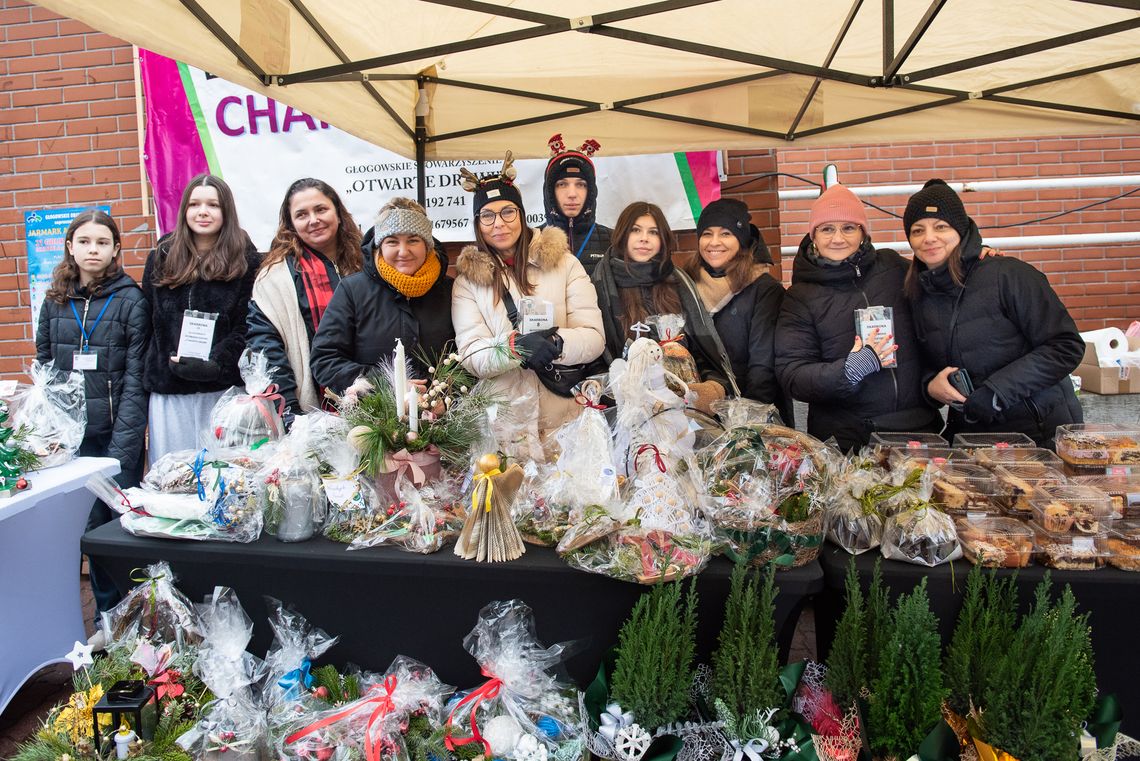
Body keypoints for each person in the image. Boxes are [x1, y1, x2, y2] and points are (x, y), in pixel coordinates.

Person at [35, 209, 149, 648]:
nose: (93, 249)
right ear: (70, 247)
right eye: (84, 241)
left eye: (102, 242)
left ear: (116, 250)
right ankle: (88, 621)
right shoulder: (55, 300)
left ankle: (123, 622)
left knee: (111, 530)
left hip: (112, 439)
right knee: (76, 532)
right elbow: (45, 364)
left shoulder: (130, 300)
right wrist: (49, 434)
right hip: (68, 440)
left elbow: (136, 379)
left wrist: (123, 449)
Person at [903, 179, 1084, 448]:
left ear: (961, 230)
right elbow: (926, 361)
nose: (929, 238)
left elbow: (1065, 346)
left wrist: (996, 391)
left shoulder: (1009, 275)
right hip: (974, 436)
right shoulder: (920, 293)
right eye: (918, 230)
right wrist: (931, 385)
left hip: (1038, 434)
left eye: (941, 227)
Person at [452, 152, 605, 458]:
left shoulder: (564, 264)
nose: (499, 224)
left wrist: (557, 342)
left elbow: (594, 336)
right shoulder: (468, 283)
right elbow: (471, 353)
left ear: (521, 215)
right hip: (505, 424)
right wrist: (514, 348)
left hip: (564, 414)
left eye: (508, 212)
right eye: (487, 215)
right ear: (478, 223)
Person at [776, 184, 941, 452]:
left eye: (848, 228)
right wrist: (851, 369)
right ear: (813, 236)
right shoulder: (800, 297)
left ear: (863, 233)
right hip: (849, 440)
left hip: (917, 430)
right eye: (827, 228)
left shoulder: (893, 267)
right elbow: (793, 375)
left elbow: (942, 281)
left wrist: (975, 257)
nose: (838, 238)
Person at [142, 173, 260, 462]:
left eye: (213, 205)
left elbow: (249, 325)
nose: (203, 212)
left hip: (223, 392)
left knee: (225, 478)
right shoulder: (162, 255)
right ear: (184, 210)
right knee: (173, 476)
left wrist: (216, 364)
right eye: (194, 204)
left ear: (226, 211)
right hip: (171, 394)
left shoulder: (247, 259)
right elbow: (148, 321)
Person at [591, 201, 735, 414]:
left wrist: (709, 388)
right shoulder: (601, 286)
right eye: (636, 230)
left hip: (686, 409)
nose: (644, 238)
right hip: (627, 412)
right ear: (623, 235)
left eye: (653, 232)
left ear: (663, 239)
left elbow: (702, 349)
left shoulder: (678, 283)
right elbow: (597, 358)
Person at [310, 197, 454, 395]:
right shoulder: (352, 291)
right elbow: (325, 359)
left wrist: (442, 397)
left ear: (427, 245)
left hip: (445, 417)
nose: (403, 251)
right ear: (379, 246)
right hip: (372, 419)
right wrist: (385, 384)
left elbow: (467, 357)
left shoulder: (449, 290)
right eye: (392, 242)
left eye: (413, 240)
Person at [247, 178, 362, 419]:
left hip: (372, 404)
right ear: (291, 224)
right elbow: (267, 349)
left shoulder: (367, 264)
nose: (313, 220)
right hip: (309, 414)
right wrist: (290, 415)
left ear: (338, 213)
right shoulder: (274, 279)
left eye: (321, 209)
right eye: (302, 214)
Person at [683, 198, 794, 426]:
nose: (714, 242)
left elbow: (763, 368)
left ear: (741, 240)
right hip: (699, 414)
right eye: (707, 233)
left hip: (751, 416)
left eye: (725, 234)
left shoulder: (764, 289)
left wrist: (746, 423)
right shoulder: (687, 284)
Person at [541, 134, 612, 275]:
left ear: (591, 190)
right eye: (562, 184)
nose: (572, 194)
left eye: (581, 184)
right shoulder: (531, 241)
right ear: (550, 191)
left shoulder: (613, 241)